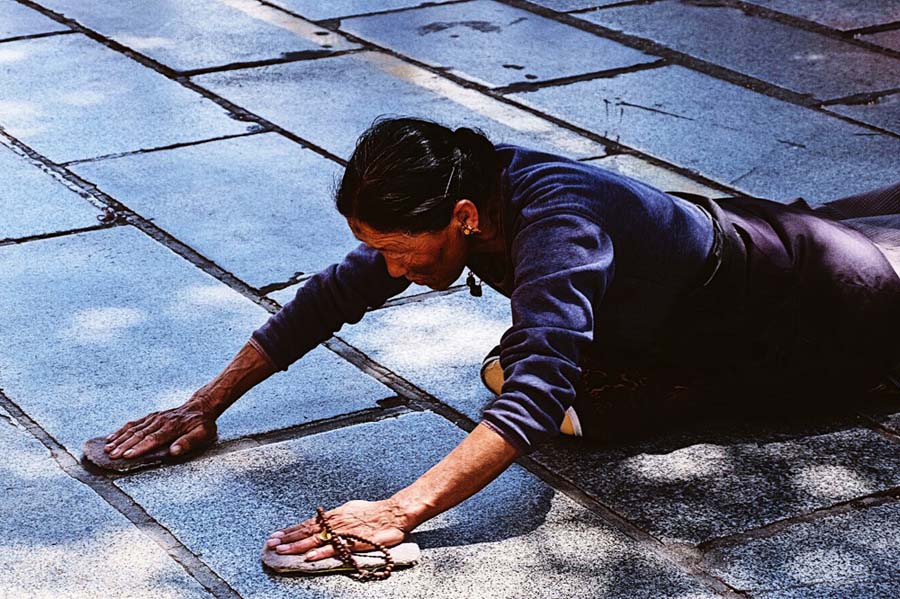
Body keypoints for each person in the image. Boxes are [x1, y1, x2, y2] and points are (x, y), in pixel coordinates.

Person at [102, 117, 900, 563]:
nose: (391, 269)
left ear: (462, 219)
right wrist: (203, 405)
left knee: (530, 378)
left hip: (812, 307)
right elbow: (333, 295)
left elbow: (533, 399)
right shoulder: (463, 187)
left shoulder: (557, 223)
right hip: (706, 279)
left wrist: (397, 510)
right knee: (516, 364)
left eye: (400, 252)